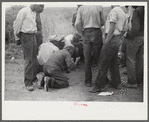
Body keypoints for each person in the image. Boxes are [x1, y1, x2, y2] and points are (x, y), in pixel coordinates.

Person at [90, 5, 127, 93]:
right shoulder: (123, 12)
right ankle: (116, 83)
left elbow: (112, 28)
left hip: (111, 38)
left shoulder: (113, 11)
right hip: (118, 37)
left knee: (103, 62)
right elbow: (125, 29)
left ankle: (99, 86)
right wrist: (119, 37)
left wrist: (107, 41)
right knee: (113, 62)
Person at [13, 4, 44, 91]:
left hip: (33, 36)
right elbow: (16, 25)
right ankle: (28, 82)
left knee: (34, 58)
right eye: (41, 7)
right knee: (29, 59)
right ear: (35, 4)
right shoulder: (24, 11)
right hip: (26, 36)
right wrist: (17, 38)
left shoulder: (33, 13)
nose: (42, 9)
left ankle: (33, 78)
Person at [75, 5, 105, 87]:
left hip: (86, 32)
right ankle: (101, 80)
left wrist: (81, 33)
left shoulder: (81, 8)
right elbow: (103, 21)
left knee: (87, 58)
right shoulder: (99, 6)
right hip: (96, 31)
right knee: (98, 57)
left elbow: (77, 23)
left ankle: (88, 81)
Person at [123, 6, 144, 88]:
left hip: (135, 37)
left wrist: (128, 35)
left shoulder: (137, 11)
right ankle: (139, 82)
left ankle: (132, 82)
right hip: (143, 37)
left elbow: (135, 28)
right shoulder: (144, 9)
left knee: (130, 58)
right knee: (139, 59)